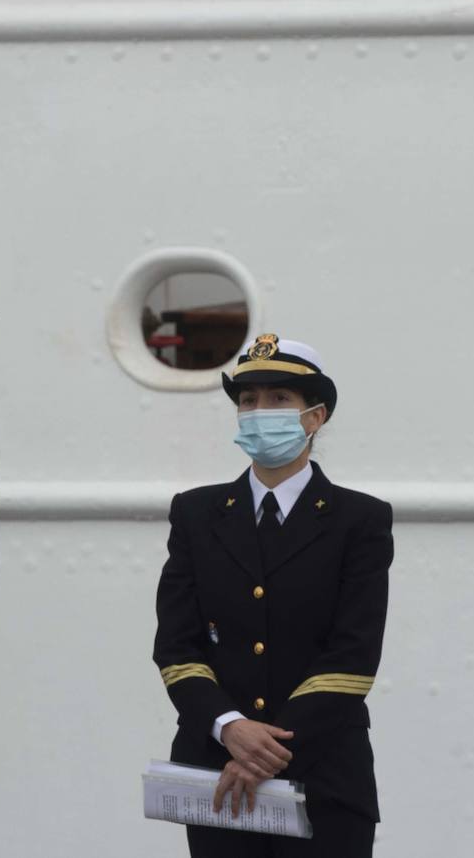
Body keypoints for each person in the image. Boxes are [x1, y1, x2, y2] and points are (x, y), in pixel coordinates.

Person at [152, 334, 393, 858]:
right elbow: (177, 647)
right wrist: (229, 728)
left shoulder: (361, 521)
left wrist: (263, 751)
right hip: (217, 782)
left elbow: (352, 657)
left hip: (324, 778)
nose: (260, 412)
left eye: (279, 400)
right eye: (248, 401)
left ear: (315, 416)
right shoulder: (195, 515)